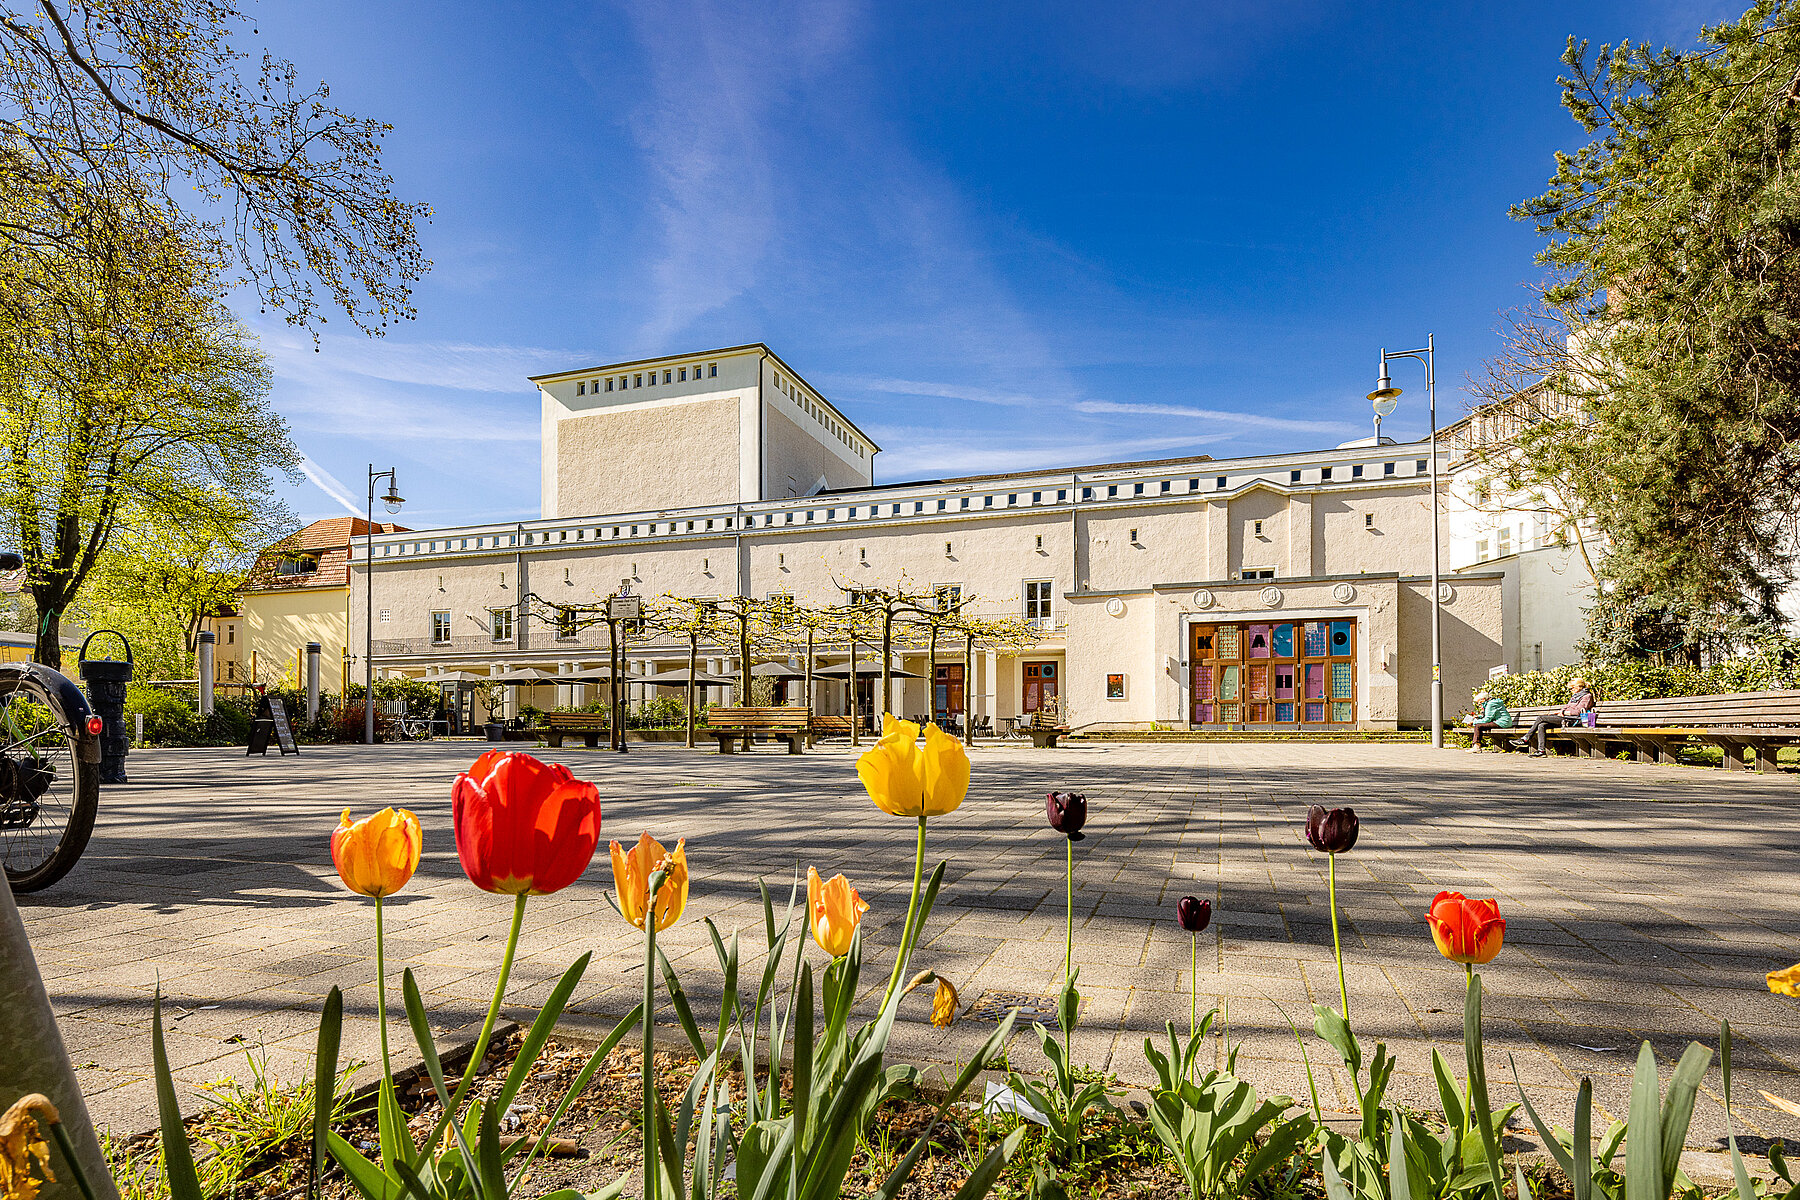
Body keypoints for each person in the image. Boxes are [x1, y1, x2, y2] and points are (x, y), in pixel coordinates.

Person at [1514, 677, 1596, 757]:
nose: (1570, 690)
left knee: (1540, 718)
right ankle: (1541, 750)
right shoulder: (1575, 696)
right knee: (1541, 725)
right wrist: (1560, 712)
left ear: (1578, 687)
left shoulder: (1587, 696)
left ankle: (1525, 738)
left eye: (1572, 688)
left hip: (1573, 720)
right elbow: (1566, 707)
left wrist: (1563, 713)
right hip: (1565, 718)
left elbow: (1577, 712)